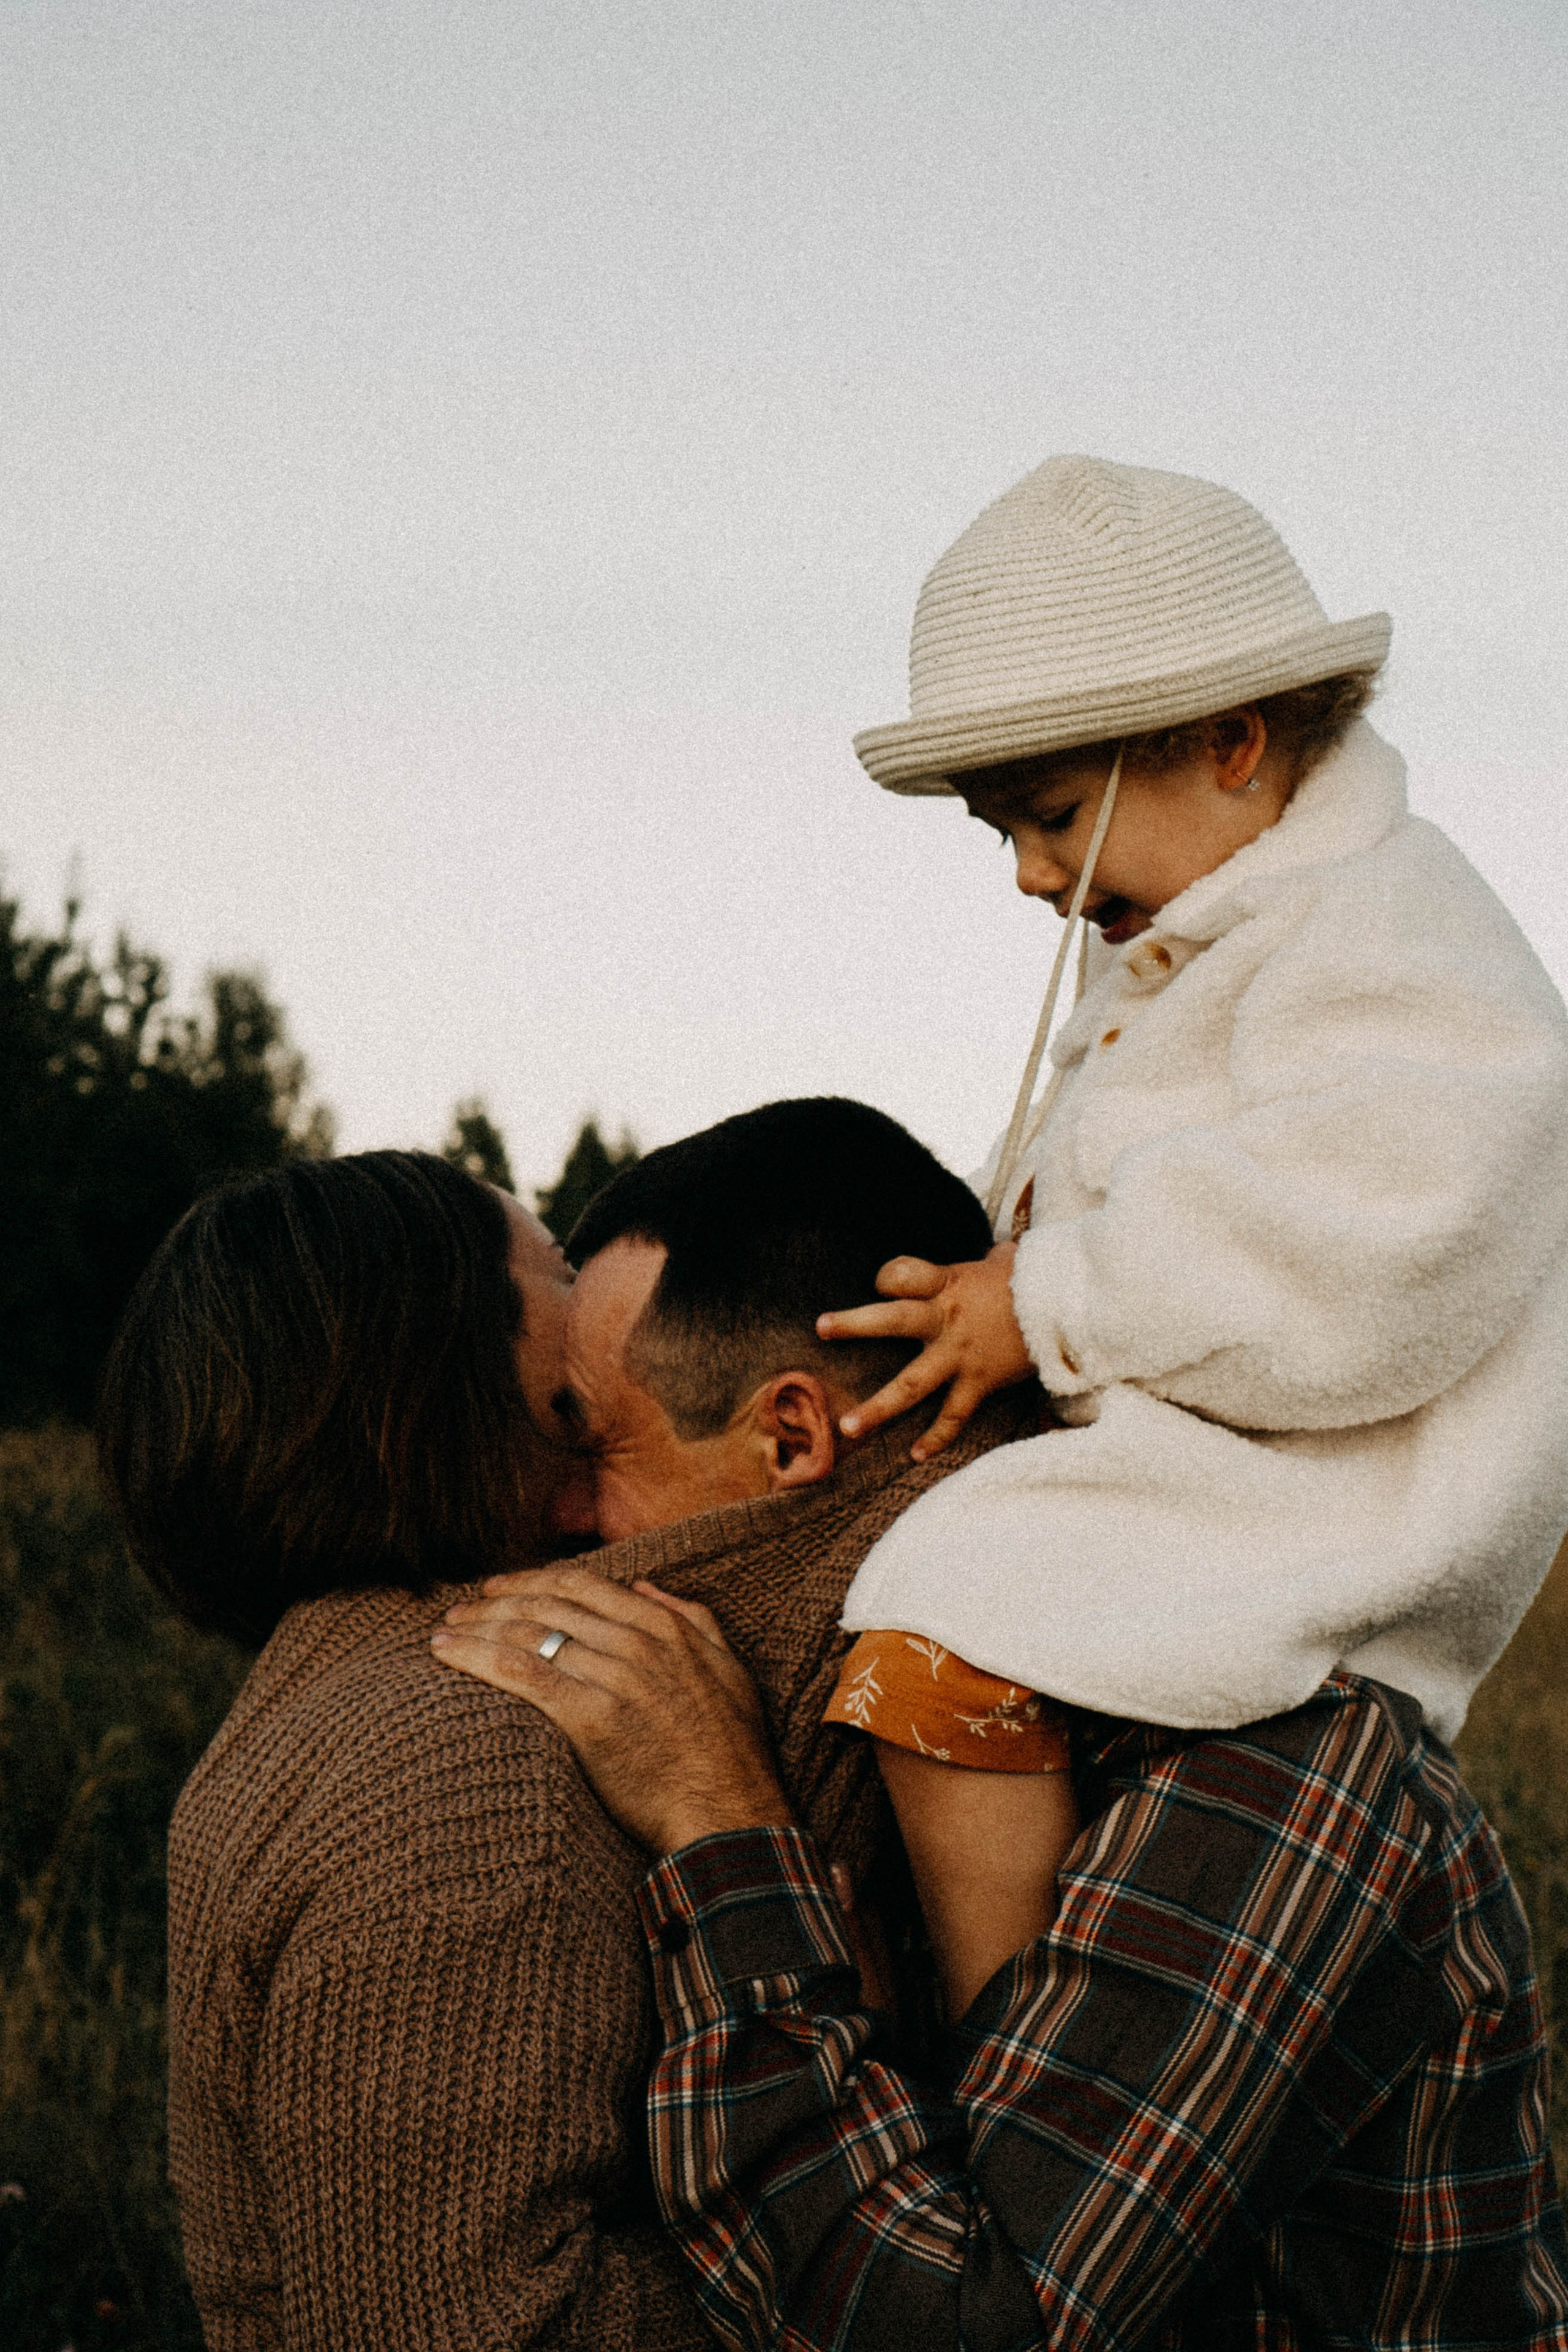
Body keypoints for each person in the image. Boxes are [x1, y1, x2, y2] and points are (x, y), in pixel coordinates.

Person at [99, 1110, 1049, 2350]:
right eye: (551, 1284)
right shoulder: (477, 1774)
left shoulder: (334, 1700)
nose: (585, 1300)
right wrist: (862, 2086)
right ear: (444, 1393)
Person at [800, 454, 1568, 1846]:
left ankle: (1003, 2027)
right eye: (1001, 831)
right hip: (1205, 1491)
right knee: (852, 1583)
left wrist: (1044, 1303)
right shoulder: (1191, 943)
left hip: (1324, 1524)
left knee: (939, 1612)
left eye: (1047, 815)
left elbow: (1390, 1229)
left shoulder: (1391, 931)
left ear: (1230, 741)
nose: (1029, 875)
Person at [440, 1547, 1568, 2349]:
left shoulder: (1270, 1761)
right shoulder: (950, 1718)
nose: (566, 1530)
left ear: (796, 1433)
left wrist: (717, 1820)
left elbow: (967, 2323)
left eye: (591, 1436)